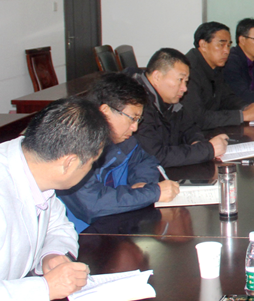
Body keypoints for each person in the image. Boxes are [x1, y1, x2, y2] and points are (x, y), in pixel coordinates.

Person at [1, 98, 109, 300]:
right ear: (69, 163)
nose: (91, 170)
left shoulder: (34, 168)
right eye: (92, 163)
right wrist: (45, 288)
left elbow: (59, 226)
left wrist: (52, 254)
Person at [57, 73, 181, 233]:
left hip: (112, 226)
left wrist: (142, 184)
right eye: (132, 118)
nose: (135, 128)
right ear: (105, 111)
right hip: (77, 236)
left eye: (138, 120)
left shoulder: (123, 139)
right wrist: (153, 193)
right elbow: (93, 205)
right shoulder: (73, 147)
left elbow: (146, 161)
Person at [127, 48, 228, 167]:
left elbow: (188, 127)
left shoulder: (168, 98)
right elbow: (155, 156)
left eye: (186, 81)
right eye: (180, 80)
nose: (184, 88)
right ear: (157, 77)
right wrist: (207, 150)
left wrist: (198, 142)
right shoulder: (136, 103)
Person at [181, 22, 254, 130]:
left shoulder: (215, 66)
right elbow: (197, 118)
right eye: (221, 45)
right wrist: (242, 116)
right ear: (203, 45)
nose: (226, 51)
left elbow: (226, 98)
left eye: (228, 45)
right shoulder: (188, 70)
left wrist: (246, 106)